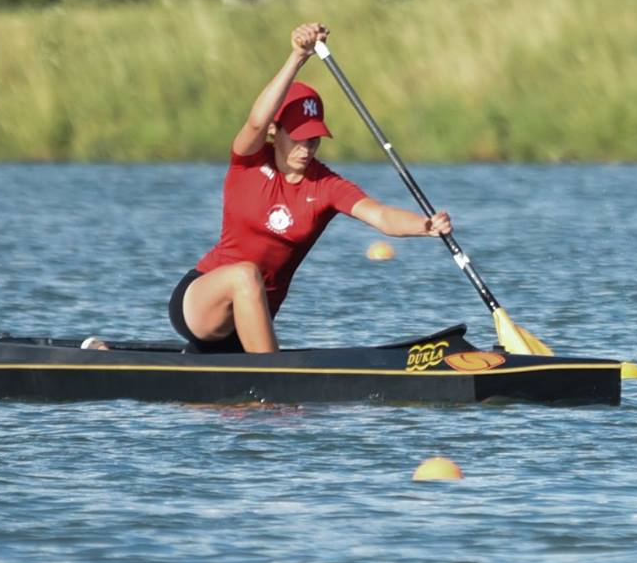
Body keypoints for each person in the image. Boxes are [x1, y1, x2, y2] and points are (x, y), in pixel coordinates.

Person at [169, 22, 452, 353]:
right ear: (277, 132)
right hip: (202, 303)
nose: (308, 147)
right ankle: (274, 377)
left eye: (314, 138)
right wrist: (298, 57)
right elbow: (256, 121)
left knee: (247, 282)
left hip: (252, 318)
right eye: (299, 138)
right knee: (244, 274)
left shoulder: (325, 185)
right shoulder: (246, 162)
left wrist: (426, 225)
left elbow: (381, 216)